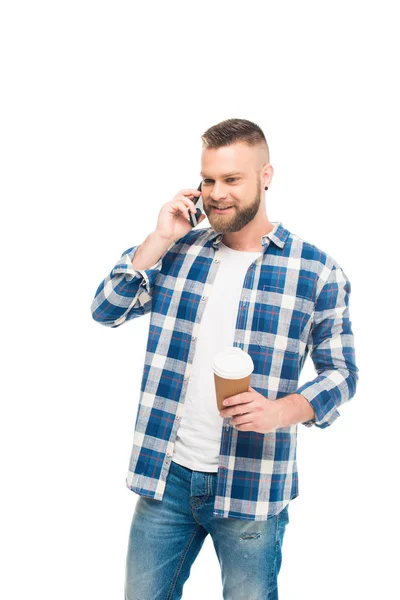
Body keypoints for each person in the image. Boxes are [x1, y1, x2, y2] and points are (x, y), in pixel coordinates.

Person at [90, 118, 359, 600]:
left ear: (266, 176)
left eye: (232, 179)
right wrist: (158, 238)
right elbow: (106, 310)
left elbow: (341, 373)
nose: (217, 193)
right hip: (166, 478)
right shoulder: (179, 251)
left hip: (252, 486)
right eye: (208, 179)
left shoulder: (316, 271)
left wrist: (281, 410)